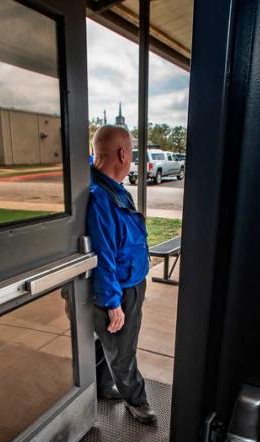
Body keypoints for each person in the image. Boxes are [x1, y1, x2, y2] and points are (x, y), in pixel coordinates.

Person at [87, 125, 157, 424]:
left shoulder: (112, 189)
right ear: (123, 154)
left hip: (130, 283)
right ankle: (136, 401)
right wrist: (112, 302)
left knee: (110, 345)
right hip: (120, 290)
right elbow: (102, 255)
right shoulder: (99, 197)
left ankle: (103, 385)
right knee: (123, 350)